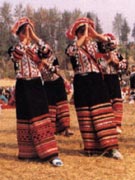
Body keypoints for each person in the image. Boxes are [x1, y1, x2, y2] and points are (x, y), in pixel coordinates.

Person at [65, 17, 123, 159]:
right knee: (86, 115)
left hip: (96, 80)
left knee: (101, 112)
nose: (86, 35)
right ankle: (92, 148)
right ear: (77, 34)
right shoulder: (72, 48)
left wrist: (95, 34)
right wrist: (82, 36)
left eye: (86, 32)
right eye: (82, 32)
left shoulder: (95, 46)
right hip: (81, 82)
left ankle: (110, 148)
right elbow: (71, 52)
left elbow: (113, 44)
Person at [8, 17, 63, 166]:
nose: (27, 33)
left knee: (41, 116)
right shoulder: (14, 48)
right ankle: (28, 153)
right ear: (19, 33)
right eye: (24, 31)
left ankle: (50, 153)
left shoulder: (36, 48)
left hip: (36, 84)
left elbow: (48, 53)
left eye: (29, 30)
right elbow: (16, 56)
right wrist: (24, 41)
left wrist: (34, 37)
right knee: (25, 117)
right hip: (22, 84)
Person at [38, 48, 73, 136]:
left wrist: (65, 80)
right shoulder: (37, 61)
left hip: (57, 83)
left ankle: (66, 128)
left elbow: (57, 71)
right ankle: (52, 129)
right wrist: (41, 64)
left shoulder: (53, 58)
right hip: (47, 85)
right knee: (50, 108)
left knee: (62, 106)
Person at [97, 33, 128, 134]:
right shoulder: (98, 55)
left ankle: (117, 125)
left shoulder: (117, 54)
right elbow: (100, 68)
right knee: (106, 102)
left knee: (117, 101)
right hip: (103, 79)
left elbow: (124, 65)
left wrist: (117, 63)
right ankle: (107, 125)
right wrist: (110, 60)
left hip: (114, 79)